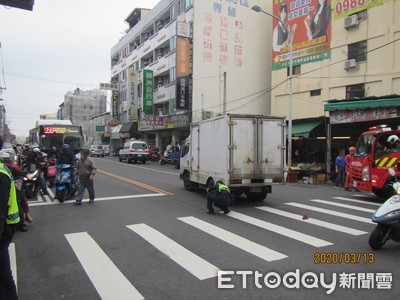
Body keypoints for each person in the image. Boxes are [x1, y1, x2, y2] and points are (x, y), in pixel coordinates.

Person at [0, 136, 20, 299]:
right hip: (8, 225)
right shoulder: (4, 170)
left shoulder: (3, 172)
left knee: (4, 277)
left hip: (6, 227)